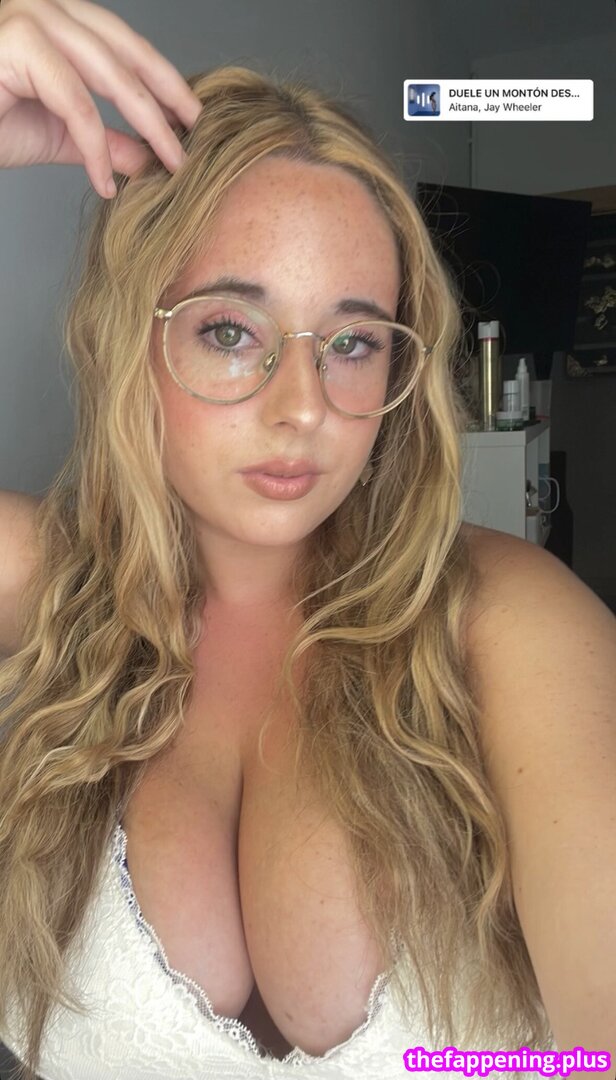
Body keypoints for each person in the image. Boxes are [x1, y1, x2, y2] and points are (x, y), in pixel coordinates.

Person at [0, 2, 615, 1079]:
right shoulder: (43, 584)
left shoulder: (504, 620)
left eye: (353, 341)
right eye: (230, 330)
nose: (303, 408)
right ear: (130, 338)